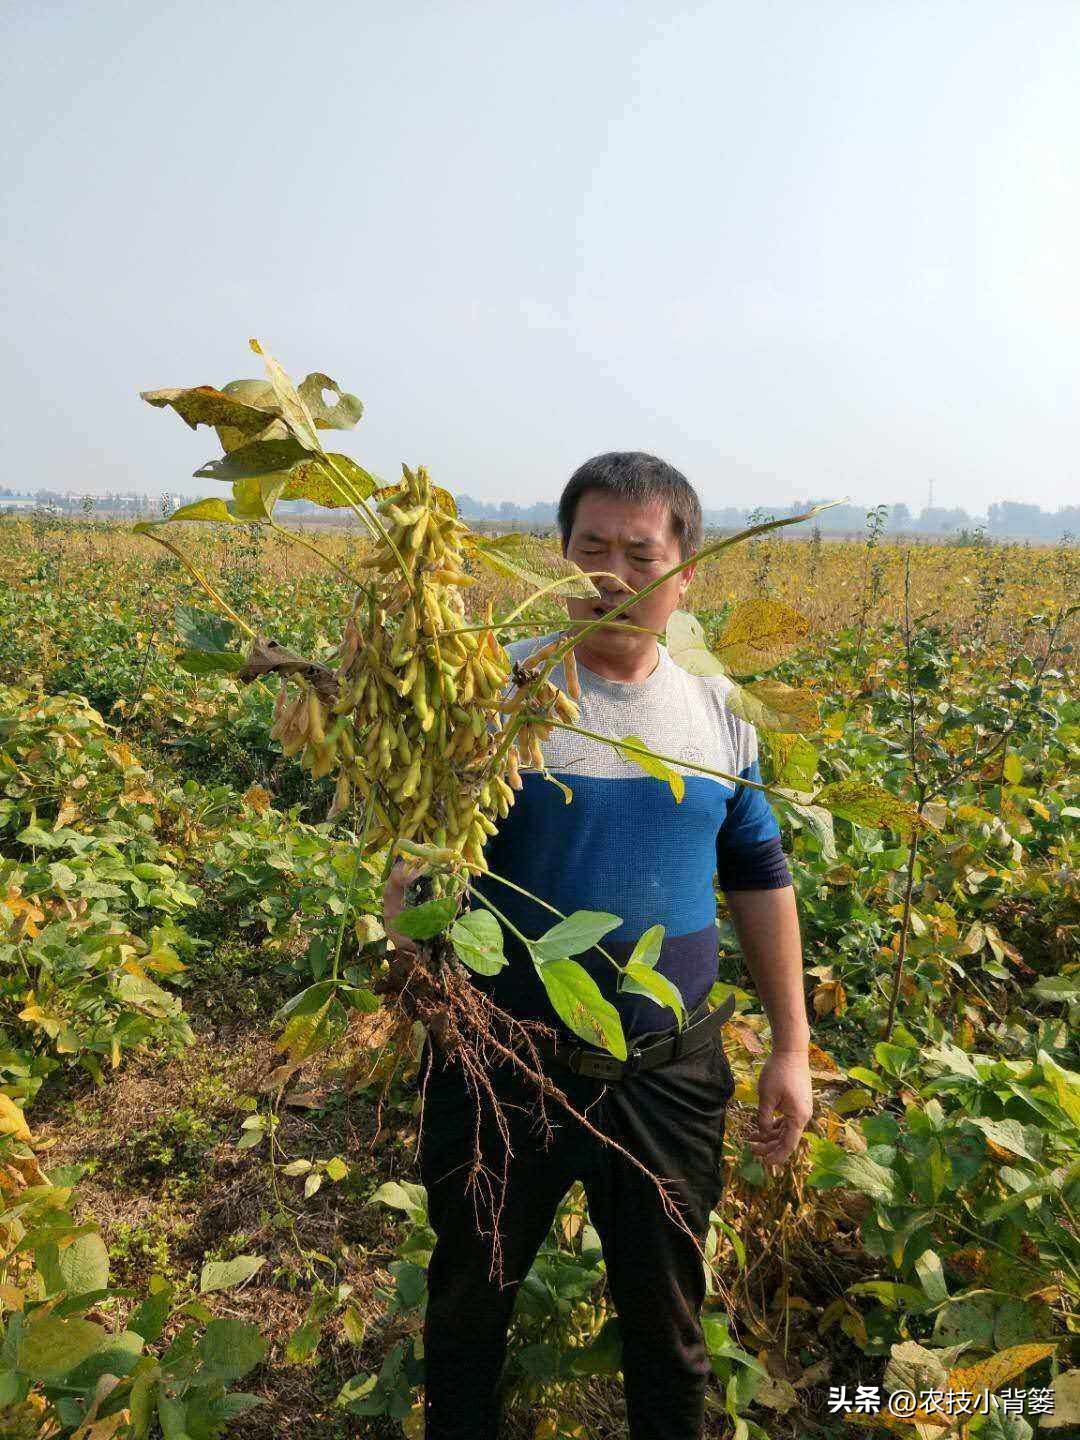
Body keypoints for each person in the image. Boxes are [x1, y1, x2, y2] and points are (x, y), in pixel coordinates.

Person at [383, 452, 813, 1440]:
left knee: (667, 1327)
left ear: (686, 573)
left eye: (640, 553)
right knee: (466, 1310)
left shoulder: (720, 710)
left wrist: (790, 1047)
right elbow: (426, 858)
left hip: (666, 1072)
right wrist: (408, 927)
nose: (612, 575)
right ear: (559, 557)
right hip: (500, 1065)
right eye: (590, 550)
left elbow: (757, 875)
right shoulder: (493, 693)